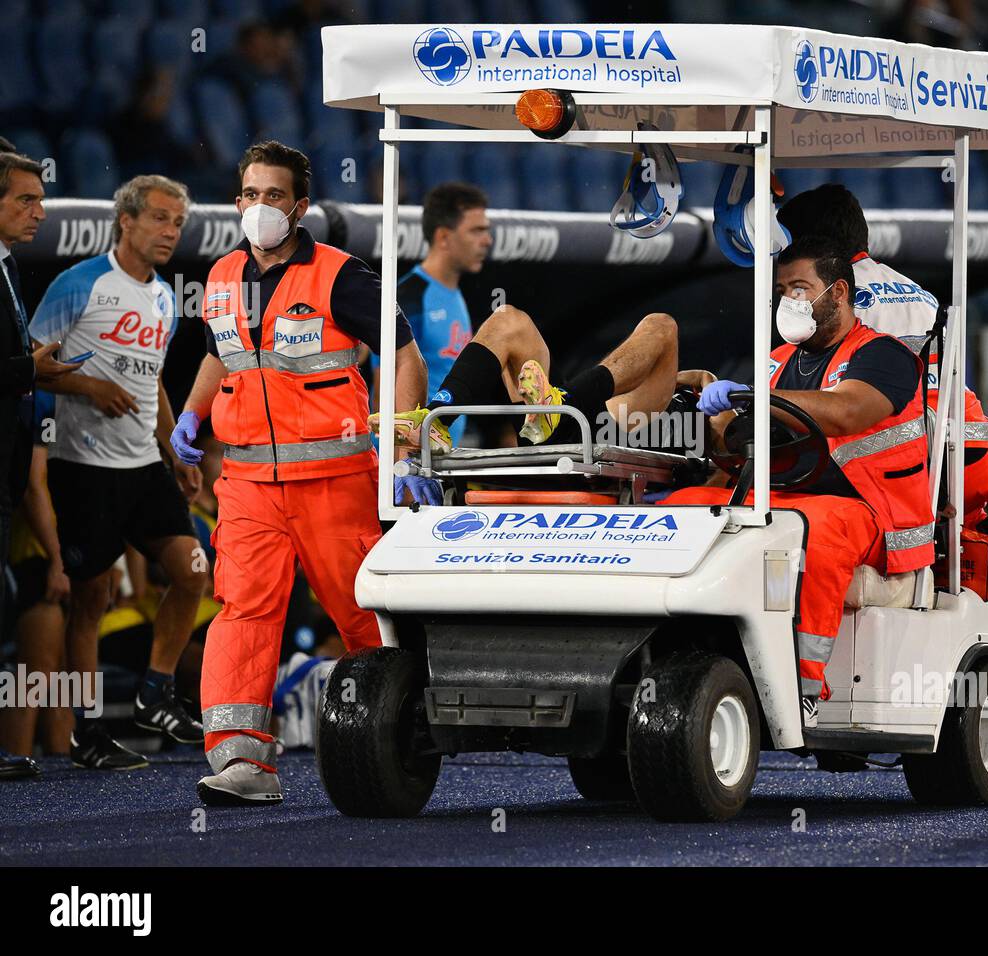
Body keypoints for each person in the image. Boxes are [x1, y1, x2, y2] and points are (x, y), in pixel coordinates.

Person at [170, 141, 429, 806]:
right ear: (236, 202)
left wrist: (399, 448)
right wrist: (192, 420)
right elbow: (220, 356)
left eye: (275, 196)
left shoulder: (341, 276)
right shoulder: (222, 276)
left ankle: (408, 738)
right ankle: (241, 761)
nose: (261, 208)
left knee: (364, 617)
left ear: (301, 206)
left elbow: (403, 356)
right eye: (250, 195)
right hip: (249, 487)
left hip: (336, 483)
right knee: (242, 613)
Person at [671, 235, 933, 728]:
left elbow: (847, 410)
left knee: (810, 532)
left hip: (871, 511)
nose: (789, 300)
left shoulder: (885, 356)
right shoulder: (776, 362)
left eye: (799, 287)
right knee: (683, 504)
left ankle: (801, 686)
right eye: (782, 290)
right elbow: (741, 441)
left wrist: (752, 398)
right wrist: (713, 418)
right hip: (783, 495)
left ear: (837, 293)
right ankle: (676, 655)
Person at [29, 174, 208, 769]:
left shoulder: (163, 297)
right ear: (125, 221)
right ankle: (85, 734)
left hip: (141, 464)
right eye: (160, 218)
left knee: (191, 570)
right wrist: (86, 386)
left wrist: (175, 449)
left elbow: (151, 377)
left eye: (178, 223)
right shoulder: (78, 283)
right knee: (93, 598)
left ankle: (155, 692)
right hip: (82, 465)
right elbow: (26, 365)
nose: (170, 232)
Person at [777, 184, 988, 523]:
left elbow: (829, 409)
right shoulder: (919, 292)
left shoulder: (826, 305)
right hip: (964, 455)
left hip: (901, 470)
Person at [0, 151, 82, 781]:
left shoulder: (8, 268)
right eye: (25, 200)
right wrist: (34, 369)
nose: (40, 211)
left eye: (40, 198)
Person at [375, 302, 680, 459]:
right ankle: (436, 420)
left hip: (594, 437)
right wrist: (696, 379)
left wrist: (697, 382)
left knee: (662, 324)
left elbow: (722, 456)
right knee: (508, 319)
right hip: (563, 423)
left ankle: (555, 406)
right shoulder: (695, 396)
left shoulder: (699, 428)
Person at [385, 182, 492, 447]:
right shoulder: (409, 299)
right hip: (413, 459)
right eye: (477, 230)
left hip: (443, 457)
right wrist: (403, 468)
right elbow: (384, 387)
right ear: (444, 237)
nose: (487, 240)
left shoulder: (455, 294)